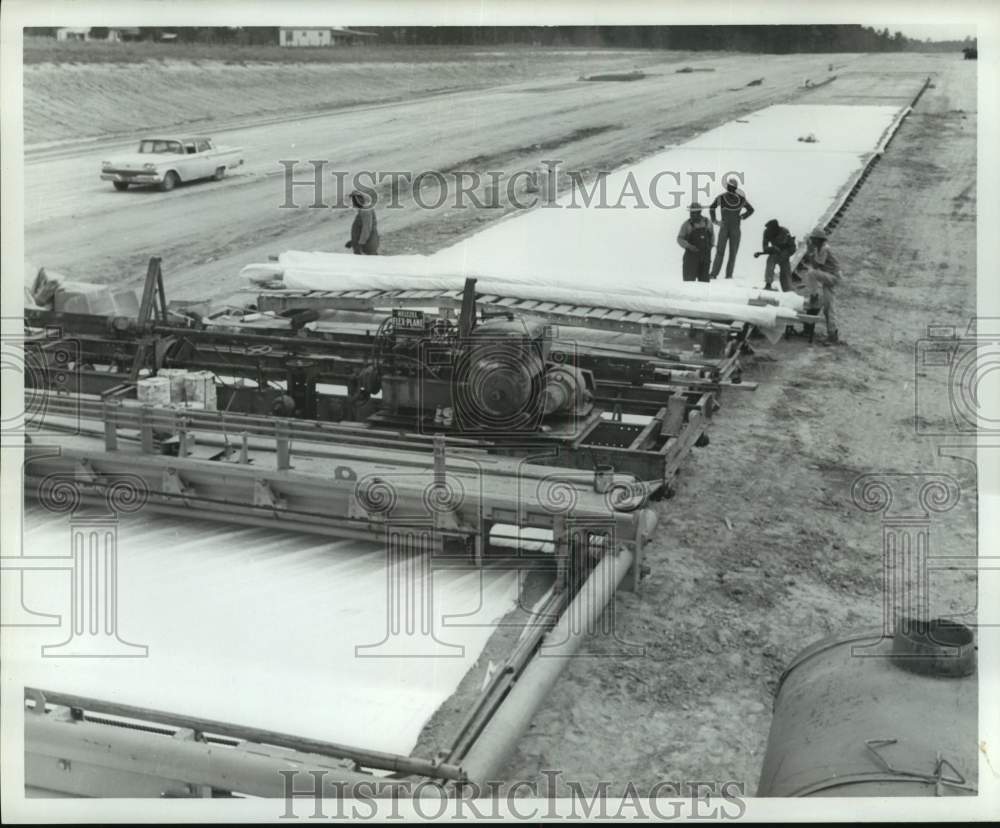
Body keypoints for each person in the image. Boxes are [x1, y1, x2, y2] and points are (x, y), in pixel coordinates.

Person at [799, 228, 842, 344]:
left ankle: (814, 294)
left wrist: (810, 252)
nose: (811, 240)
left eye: (813, 239)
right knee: (829, 306)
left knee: (811, 272)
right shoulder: (820, 248)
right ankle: (832, 334)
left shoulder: (824, 249)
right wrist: (811, 252)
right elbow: (816, 264)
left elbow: (815, 265)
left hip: (833, 277)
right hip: (829, 278)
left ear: (818, 240)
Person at [709, 177, 754, 279]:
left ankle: (728, 275)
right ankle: (714, 274)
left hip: (735, 228)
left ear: (735, 188)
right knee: (721, 251)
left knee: (732, 252)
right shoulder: (721, 198)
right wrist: (715, 220)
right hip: (725, 227)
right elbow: (712, 207)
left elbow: (751, 210)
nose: (730, 189)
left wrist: (743, 216)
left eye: (732, 188)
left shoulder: (741, 199)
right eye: (729, 187)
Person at [754, 219, 796, 291]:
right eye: (769, 229)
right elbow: (765, 248)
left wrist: (786, 254)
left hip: (786, 252)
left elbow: (792, 247)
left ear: (776, 228)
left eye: (771, 229)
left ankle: (787, 289)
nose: (770, 231)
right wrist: (773, 248)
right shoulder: (766, 232)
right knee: (770, 260)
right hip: (775, 253)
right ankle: (768, 284)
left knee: (785, 270)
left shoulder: (784, 231)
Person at [677, 202, 714, 283]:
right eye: (691, 213)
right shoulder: (687, 225)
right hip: (691, 257)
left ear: (699, 212)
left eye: (694, 213)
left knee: (704, 283)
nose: (691, 215)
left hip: (705, 257)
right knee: (689, 282)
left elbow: (712, 236)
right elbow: (680, 239)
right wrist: (689, 246)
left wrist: (709, 247)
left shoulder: (708, 223)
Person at [345, 190, 379, 255]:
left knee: (368, 263)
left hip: (367, 247)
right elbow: (361, 229)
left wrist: (360, 243)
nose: (353, 202)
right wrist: (353, 242)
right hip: (365, 245)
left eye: (354, 200)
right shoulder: (363, 210)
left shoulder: (365, 210)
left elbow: (366, 229)